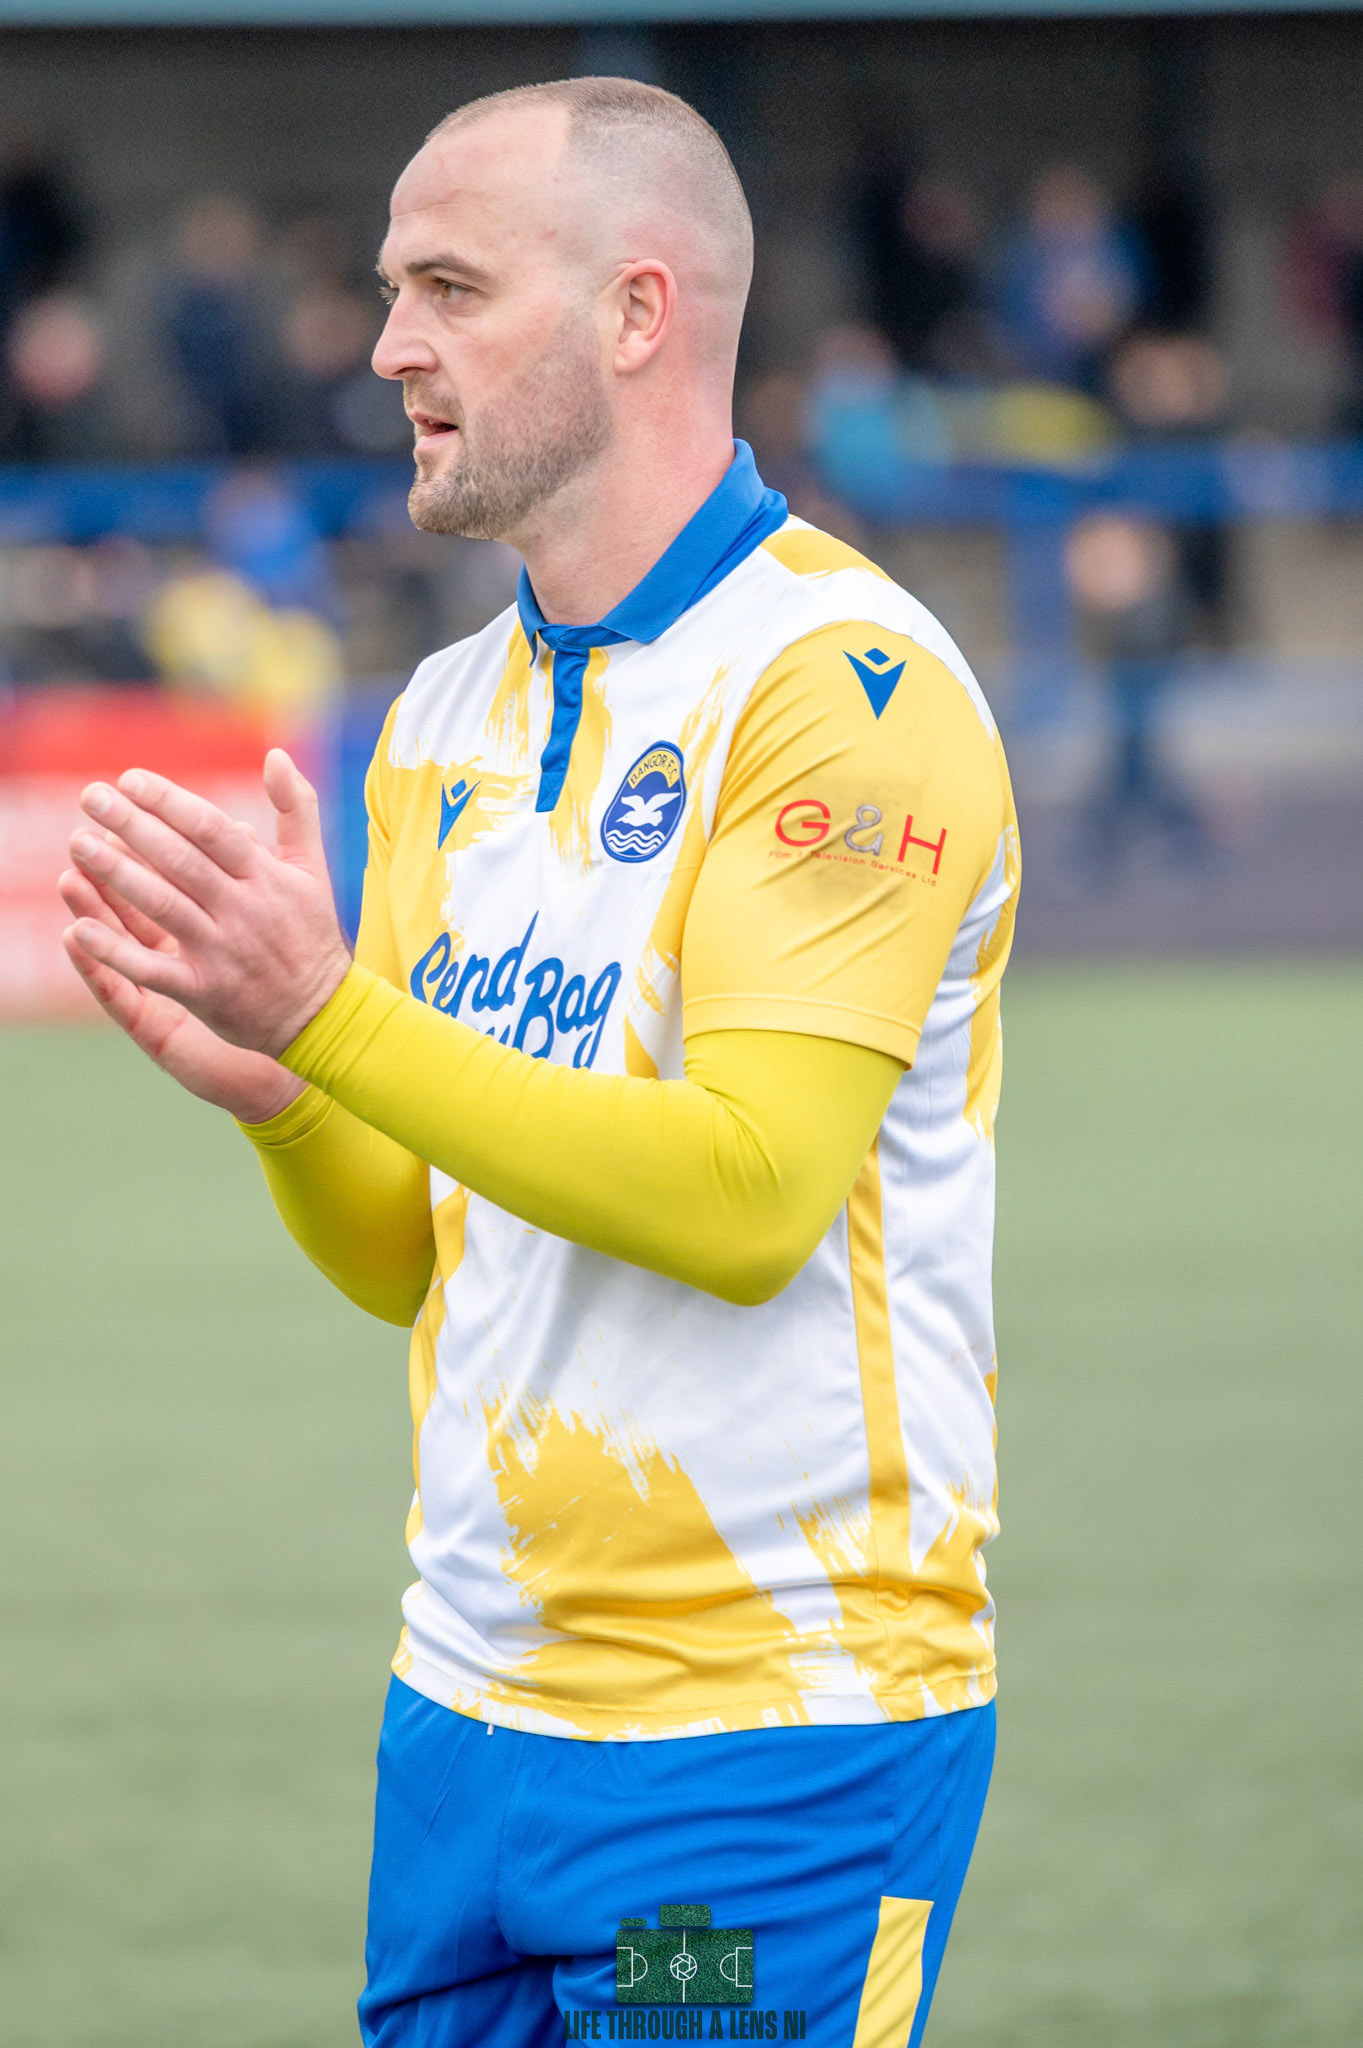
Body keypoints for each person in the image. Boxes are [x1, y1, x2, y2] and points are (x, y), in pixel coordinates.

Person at [59, 79, 1018, 2048]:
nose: (387, 346)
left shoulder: (843, 693)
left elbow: (749, 1194)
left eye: (448, 287)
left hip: (762, 1762)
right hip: (464, 1720)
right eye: (388, 291)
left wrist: (333, 1020)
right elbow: (414, 1256)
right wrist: (290, 1104)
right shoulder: (437, 717)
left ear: (636, 312)